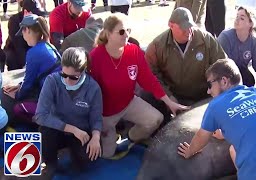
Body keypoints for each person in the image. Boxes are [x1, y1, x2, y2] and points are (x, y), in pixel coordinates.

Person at [177, 59, 256, 180]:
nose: (208, 91)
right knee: (233, 149)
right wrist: (227, 132)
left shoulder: (216, 105)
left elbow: (201, 137)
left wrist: (189, 151)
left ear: (224, 81)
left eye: (210, 85)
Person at [90, 13, 189, 158]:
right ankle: (111, 135)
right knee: (107, 154)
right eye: (122, 31)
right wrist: (96, 129)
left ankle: (129, 137)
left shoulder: (134, 51)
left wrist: (169, 102)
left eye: (129, 30)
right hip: (105, 113)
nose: (127, 35)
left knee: (156, 119)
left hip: (128, 103)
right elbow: (89, 93)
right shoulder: (95, 56)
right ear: (108, 33)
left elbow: (148, 79)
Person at [143, 7, 226, 124]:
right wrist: (168, 97)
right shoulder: (157, 46)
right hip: (174, 97)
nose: (188, 31)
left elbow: (223, 66)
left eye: (190, 26)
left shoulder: (206, 39)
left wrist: (215, 91)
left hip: (204, 96)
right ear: (171, 25)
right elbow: (151, 74)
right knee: (146, 95)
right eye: (183, 28)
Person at [34, 47, 102, 178]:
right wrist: (71, 129)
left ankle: (75, 154)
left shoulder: (93, 88)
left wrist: (96, 138)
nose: (67, 81)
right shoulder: (52, 81)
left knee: (89, 158)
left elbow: (96, 118)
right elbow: (40, 115)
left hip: (81, 133)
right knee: (45, 131)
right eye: (64, 75)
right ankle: (51, 162)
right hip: (57, 130)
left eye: (73, 77)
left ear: (83, 71)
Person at [2, 14, 60, 125]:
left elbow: (28, 83)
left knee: (16, 108)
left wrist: (17, 95)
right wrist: (19, 85)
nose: (23, 37)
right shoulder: (49, 45)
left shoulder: (34, 52)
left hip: (51, 104)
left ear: (27, 30)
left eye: (22, 32)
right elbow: (36, 77)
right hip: (57, 97)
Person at [218, 6, 256, 90]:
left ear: (251, 23)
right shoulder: (225, 37)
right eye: (237, 16)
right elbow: (223, 65)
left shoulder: (255, 42)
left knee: (249, 79)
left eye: (242, 18)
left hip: (240, 70)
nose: (237, 20)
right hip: (222, 71)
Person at [4, 0, 46, 71]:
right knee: (12, 58)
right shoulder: (14, 21)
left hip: (33, 46)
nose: (37, 15)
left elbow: (45, 39)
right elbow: (18, 45)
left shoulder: (40, 19)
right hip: (15, 49)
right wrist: (25, 64)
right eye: (34, 13)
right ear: (26, 12)